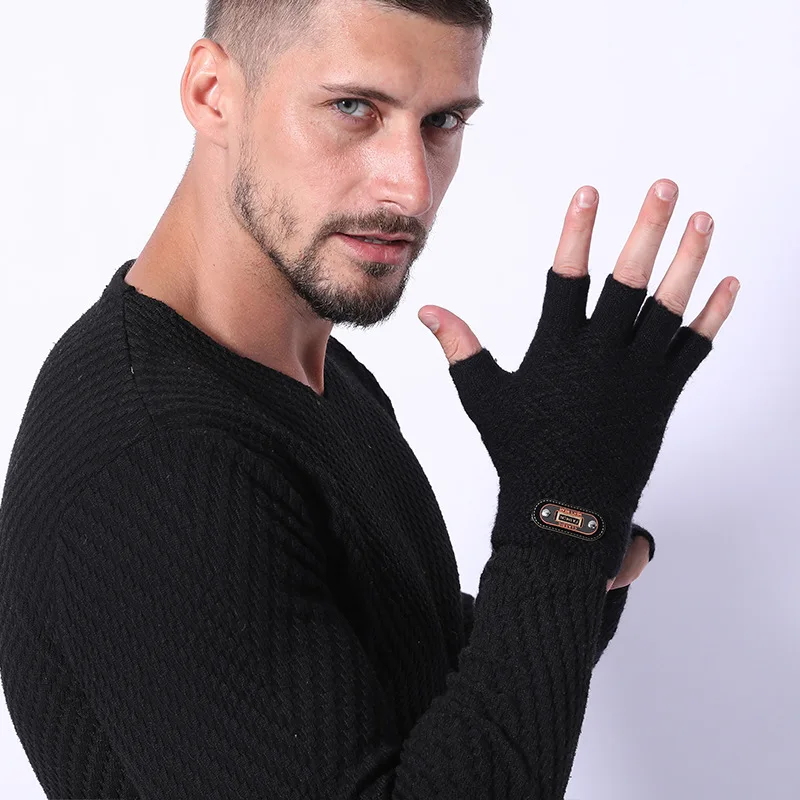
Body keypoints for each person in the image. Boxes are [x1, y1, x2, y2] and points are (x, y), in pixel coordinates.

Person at [0, 0, 739, 797]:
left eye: (443, 121)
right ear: (213, 93)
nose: (411, 188)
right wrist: (562, 522)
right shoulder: (162, 463)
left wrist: (572, 535)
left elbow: (412, 684)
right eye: (353, 107)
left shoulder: (308, 373)